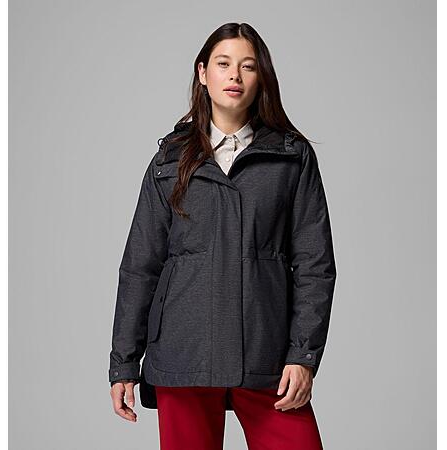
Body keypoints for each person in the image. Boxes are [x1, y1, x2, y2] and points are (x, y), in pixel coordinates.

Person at [108, 22, 337, 450]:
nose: (235, 75)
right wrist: (123, 362)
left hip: (266, 352)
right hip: (183, 351)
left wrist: (303, 355)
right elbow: (140, 266)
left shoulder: (290, 157)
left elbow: (315, 265)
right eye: (223, 64)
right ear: (202, 73)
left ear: (261, 77)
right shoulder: (170, 160)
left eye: (248, 66)